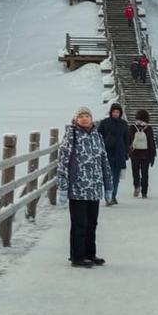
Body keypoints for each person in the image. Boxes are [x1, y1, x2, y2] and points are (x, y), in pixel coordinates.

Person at [56, 107, 112, 267]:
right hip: (78, 188)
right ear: (76, 119)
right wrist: (63, 187)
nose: (85, 119)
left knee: (92, 224)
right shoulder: (71, 135)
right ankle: (77, 256)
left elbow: (104, 161)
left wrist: (108, 186)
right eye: (81, 116)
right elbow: (63, 162)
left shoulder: (97, 136)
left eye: (87, 116)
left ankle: (90, 253)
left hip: (94, 188)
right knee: (79, 224)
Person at [97, 102, 129, 206]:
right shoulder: (105, 123)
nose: (116, 114)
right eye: (114, 112)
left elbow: (127, 139)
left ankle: (113, 196)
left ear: (120, 113)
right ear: (111, 112)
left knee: (115, 177)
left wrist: (126, 153)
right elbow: (98, 136)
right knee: (107, 176)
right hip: (107, 153)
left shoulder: (124, 124)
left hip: (119, 153)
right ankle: (108, 197)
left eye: (117, 112)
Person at [127, 109, 155, 198]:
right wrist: (152, 155)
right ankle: (144, 192)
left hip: (135, 153)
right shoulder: (148, 128)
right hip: (146, 154)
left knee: (135, 172)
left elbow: (128, 140)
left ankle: (137, 186)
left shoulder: (132, 127)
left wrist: (128, 152)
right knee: (145, 173)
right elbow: (151, 142)